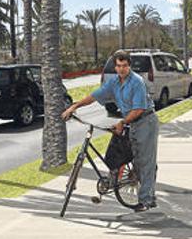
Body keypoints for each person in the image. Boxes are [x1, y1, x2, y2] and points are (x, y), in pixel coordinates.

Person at [62, 51, 159, 212]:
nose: (121, 69)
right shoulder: (114, 82)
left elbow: (139, 108)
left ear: (129, 66)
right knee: (120, 151)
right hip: (131, 122)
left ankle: (146, 200)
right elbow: (94, 96)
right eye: (119, 66)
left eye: (125, 66)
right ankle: (115, 181)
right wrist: (74, 106)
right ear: (115, 66)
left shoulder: (137, 82)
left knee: (145, 161)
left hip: (145, 121)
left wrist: (122, 122)